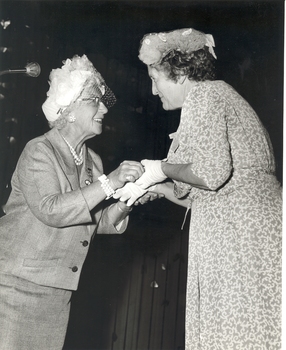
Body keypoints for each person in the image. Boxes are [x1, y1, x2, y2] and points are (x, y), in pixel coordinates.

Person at [115, 28, 282, 349]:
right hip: (248, 230)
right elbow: (213, 194)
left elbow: (210, 173)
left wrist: (159, 169)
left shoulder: (203, 97)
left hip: (238, 241)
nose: (153, 91)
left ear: (179, 72)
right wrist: (160, 188)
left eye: (155, 78)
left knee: (234, 333)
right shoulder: (222, 96)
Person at [0, 54, 157, 350]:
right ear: (69, 110)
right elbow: (52, 209)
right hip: (14, 288)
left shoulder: (92, 161)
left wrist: (130, 198)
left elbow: (95, 222)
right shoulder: (39, 151)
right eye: (94, 101)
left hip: (57, 294)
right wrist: (109, 182)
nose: (104, 108)